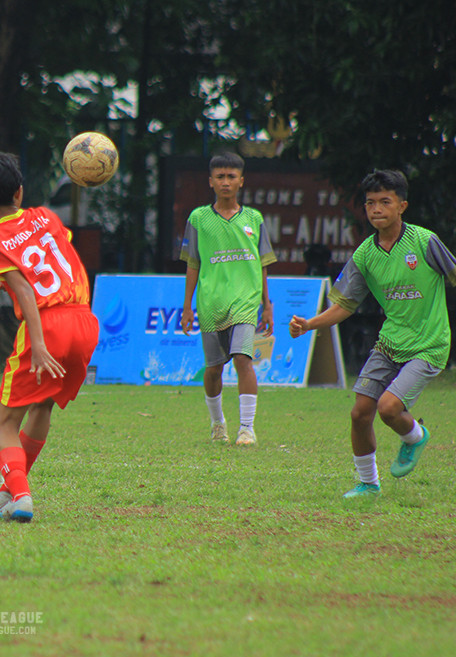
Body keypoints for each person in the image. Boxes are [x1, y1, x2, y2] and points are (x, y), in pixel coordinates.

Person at [289, 169, 456, 498]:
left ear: (402, 206)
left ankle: (414, 436)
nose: (376, 209)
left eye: (385, 201)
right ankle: (368, 484)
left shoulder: (424, 242)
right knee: (360, 412)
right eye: (370, 203)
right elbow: (345, 305)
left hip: (429, 346)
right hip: (389, 344)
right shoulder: (365, 254)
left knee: (388, 408)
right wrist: (309, 324)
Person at [0, 151, 99, 523]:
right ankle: (11, 489)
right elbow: (56, 254)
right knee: (41, 406)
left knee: (5, 423)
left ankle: (21, 495)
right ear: (20, 192)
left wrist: (39, 345)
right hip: (84, 320)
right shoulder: (46, 216)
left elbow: (25, 291)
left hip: (48, 325)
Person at [179, 152, 275, 446]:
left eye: (231, 176)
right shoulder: (198, 218)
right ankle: (217, 423)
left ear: (241, 181)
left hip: (246, 302)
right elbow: (192, 263)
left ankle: (247, 428)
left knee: (243, 359)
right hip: (211, 303)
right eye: (220, 177)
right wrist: (187, 307)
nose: (225, 182)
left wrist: (267, 304)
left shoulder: (254, 219)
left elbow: (262, 263)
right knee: (213, 369)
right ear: (210, 181)